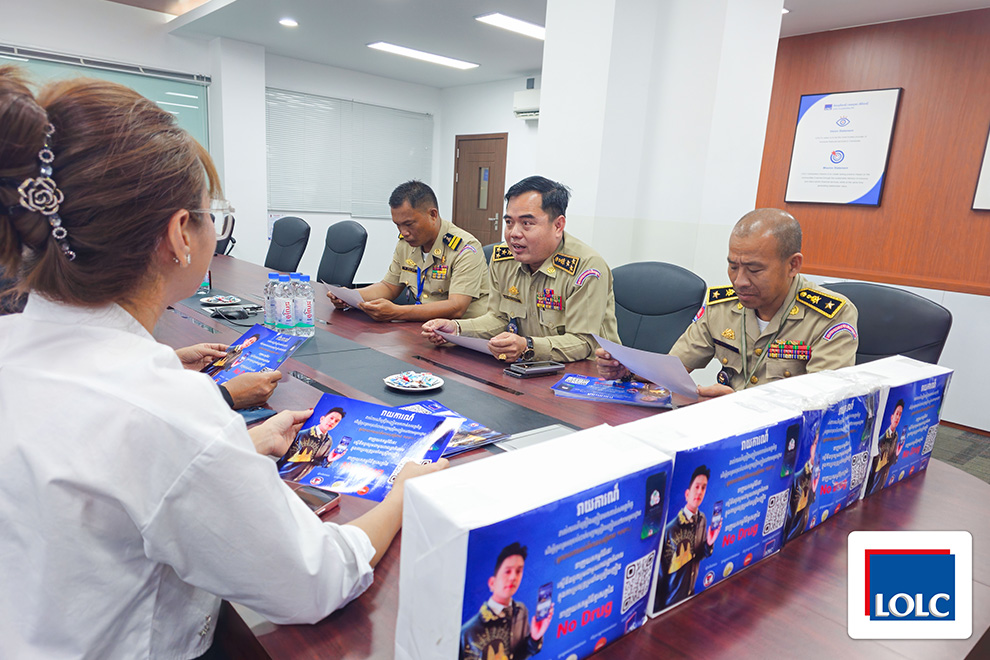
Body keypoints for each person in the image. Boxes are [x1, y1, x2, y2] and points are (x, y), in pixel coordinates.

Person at [0, 68, 446, 659]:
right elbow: (313, 582)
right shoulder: (163, 408)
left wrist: (233, 448)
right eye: (210, 213)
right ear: (179, 234)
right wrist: (404, 496)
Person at [597, 209, 858, 396]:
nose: (740, 281)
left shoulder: (831, 315)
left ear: (793, 265)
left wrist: (739, 405)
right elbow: (673, 369)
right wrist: (626, 370)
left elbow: (824, 402)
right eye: (733, 266)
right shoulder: (721, 306)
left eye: (754, 269)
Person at [423, 176, 620, 363]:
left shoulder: (586, 267)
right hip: (527, 367)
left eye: (527, 223)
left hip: (586, 373)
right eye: (509, 222)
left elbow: (583, 343)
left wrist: (528, 346)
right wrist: (456, 328)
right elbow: (498, 319)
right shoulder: (503, 259)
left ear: (558, 225)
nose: (514, 233)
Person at [328, 180, 488, 321]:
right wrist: (349, 296)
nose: (403, 232)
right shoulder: (406, 243)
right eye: (397, 225)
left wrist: (397, 312)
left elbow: (457, 307)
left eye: (409, 224)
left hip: (462, 332)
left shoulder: (465, 248)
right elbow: (389, 287)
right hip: (424, 326)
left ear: (433, 215)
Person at [460, 542, 552, 660]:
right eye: (507, 571)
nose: (513, 577)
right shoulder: (469, 631)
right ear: (492, 583)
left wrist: (535, 638)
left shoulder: (521, 611)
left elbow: (520, 655)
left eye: (518, 571)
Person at [656, 465, 721, 610]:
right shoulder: (670, 530)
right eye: (696, 487)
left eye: (703, 488)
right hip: (670, 604)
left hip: (690, 599)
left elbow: (698, 556)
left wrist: (709, 543)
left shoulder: (702, 520)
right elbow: (660, 575)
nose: (699, 491)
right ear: (687, 494)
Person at [279, 407, 347, 482]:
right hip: (281, 475)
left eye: (336, 421)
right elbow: (284, 456)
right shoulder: (302, 434)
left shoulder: (328, 441)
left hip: (297, 480)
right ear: (322, 419)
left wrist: (329, 459)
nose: (333, 422)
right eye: (331, 418)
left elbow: (318, 462)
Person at [784, 430, 819, 542]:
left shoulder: (817, 472)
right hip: (793, 535)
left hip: (805, 532)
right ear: (811, 447)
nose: (818, 448)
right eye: (816, 443)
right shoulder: (798, 477)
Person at [866, 399, 905, 495]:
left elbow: (891, 462)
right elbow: (872, 469)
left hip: (882, 486)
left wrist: (897, 454)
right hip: (873, 489)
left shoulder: (896, 436)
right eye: (897, 414)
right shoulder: (881, 441)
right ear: (892, 417)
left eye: (900, 415)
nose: (898, 417)